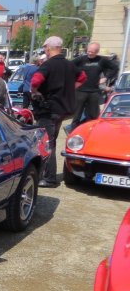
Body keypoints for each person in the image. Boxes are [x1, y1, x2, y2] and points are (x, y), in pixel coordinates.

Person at [30, 36, 86, 188]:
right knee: (52, 140)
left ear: (48, 48)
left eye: (45, 48)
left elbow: (35, 80)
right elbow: (83, 77)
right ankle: (46, 174)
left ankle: (49, 178)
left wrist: (34, 91)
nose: (45, 51)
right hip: (63, 109)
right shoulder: (70, 65)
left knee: (47, 142)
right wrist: (70, 89)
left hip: (49, 110)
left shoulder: (48, 65)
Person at [70, 42, 119, 128]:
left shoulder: (101, 60)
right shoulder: (81, 59)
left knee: (93, 115)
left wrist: (106, 77)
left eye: (92, 52)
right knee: (77, 115)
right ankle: (74, 132)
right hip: (80, 91)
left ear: (97, 52)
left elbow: (115, 68)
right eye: (88, 51)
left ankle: (92, 131)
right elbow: (68, 66)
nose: (89, 53)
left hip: (94, 91)